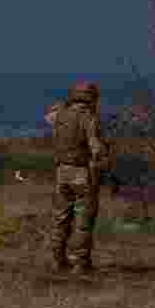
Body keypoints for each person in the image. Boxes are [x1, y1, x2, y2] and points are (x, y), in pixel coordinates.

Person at [49, 82, 108, 275]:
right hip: (82, 173)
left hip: (61, 173)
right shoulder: (87, 117)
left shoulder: (59, 115)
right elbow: (96, 148)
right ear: (91, 98)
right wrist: (102, 161)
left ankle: (57, 260)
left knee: (60, 218)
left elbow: (50, 118)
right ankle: (81, 264)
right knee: (83, 221)